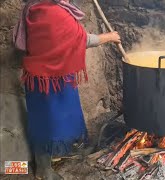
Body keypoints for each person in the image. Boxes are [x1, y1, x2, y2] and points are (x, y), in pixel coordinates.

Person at [13, 0, 121, 179]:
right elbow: (82, 39)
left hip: (39, 78)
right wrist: (109, 37)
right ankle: (43, 170)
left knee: (44, 121)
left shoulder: (34, 6)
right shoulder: (55, 14)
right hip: (51, 80)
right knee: (50, 124)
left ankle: (50, 158)